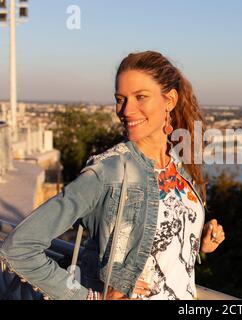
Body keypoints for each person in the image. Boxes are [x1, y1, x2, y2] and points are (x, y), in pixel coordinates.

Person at [0, 51, 225, 300]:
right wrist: (89, 297)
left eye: (140, 97)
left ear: (169, 100)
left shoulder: (180, 167)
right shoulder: (109, 171)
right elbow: (19, 248)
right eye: (121, 99)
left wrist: (198, 241)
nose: (126, 110)